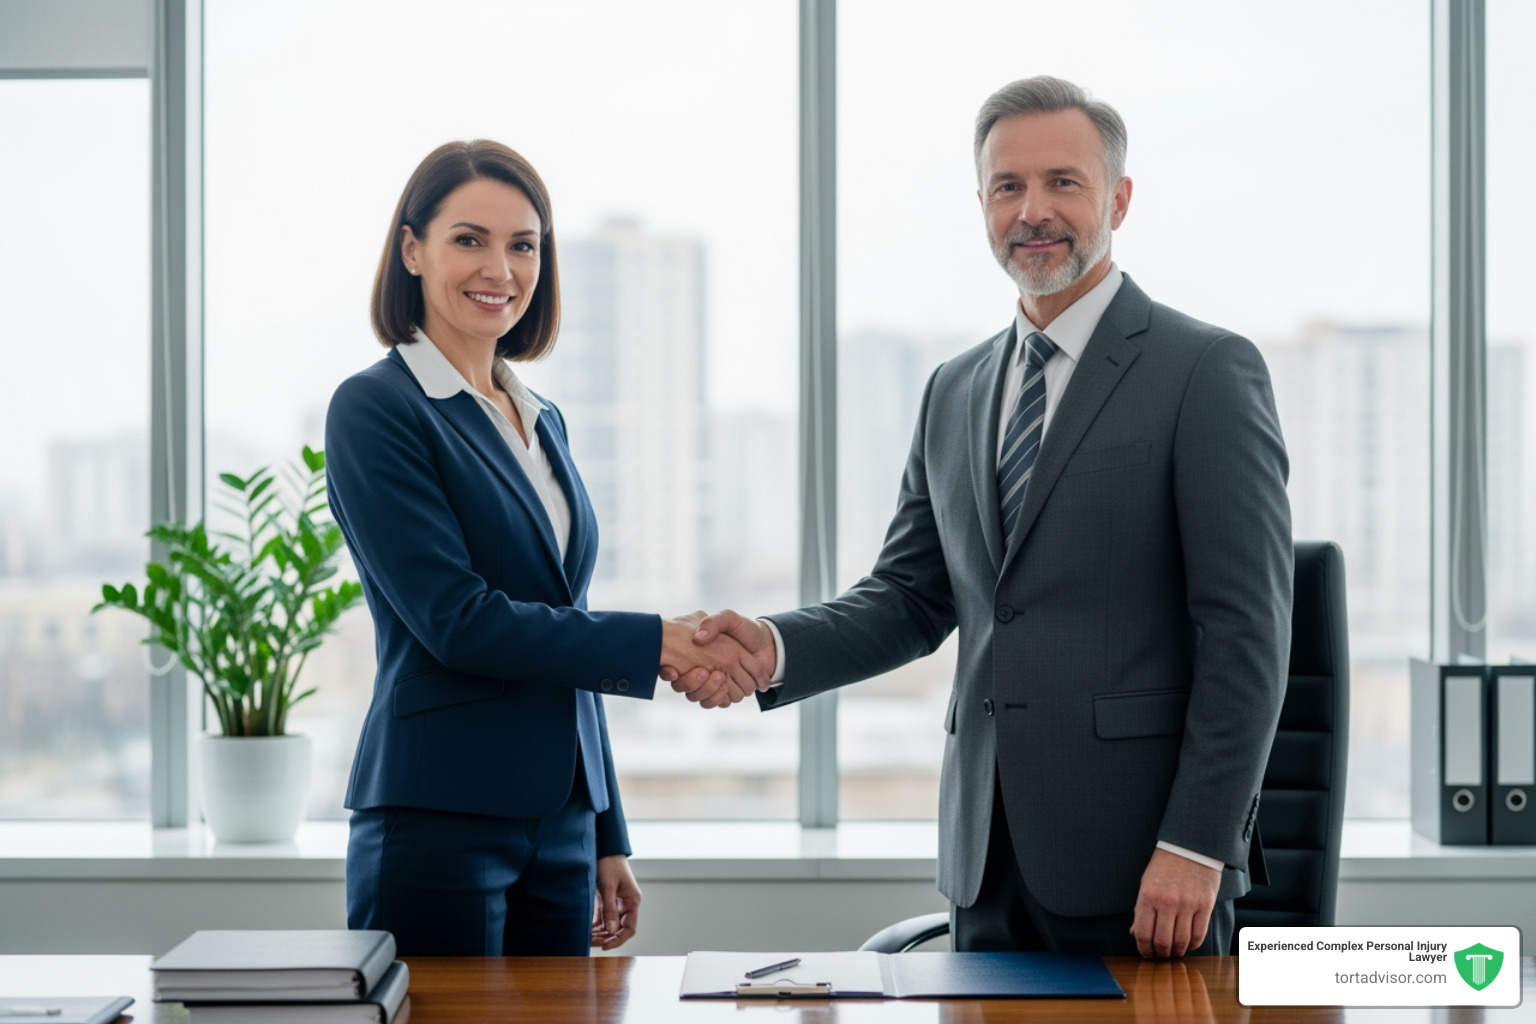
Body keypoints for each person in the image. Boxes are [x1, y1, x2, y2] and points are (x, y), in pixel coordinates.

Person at [671, 76, 1292, 959]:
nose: (1033, 211)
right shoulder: (954, 389)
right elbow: (911, 598)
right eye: (1009, 187)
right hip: (982, 860)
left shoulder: (1205, 372)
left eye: (1062, 183)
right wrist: (770, 647)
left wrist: (1198, 844)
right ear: (983, 205)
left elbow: (1248, 631)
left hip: (1145, 868)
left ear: (1117, 198)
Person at [326, 140, 768, 956]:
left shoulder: (542, 418)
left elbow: (565, 619)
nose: (500, 267)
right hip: (440, 816)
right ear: (412, 250)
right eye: (470, 240)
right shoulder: (376, 408)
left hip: (561, 823)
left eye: (523, 245)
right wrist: (658, 640)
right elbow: (457, 619)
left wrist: (604, 826)